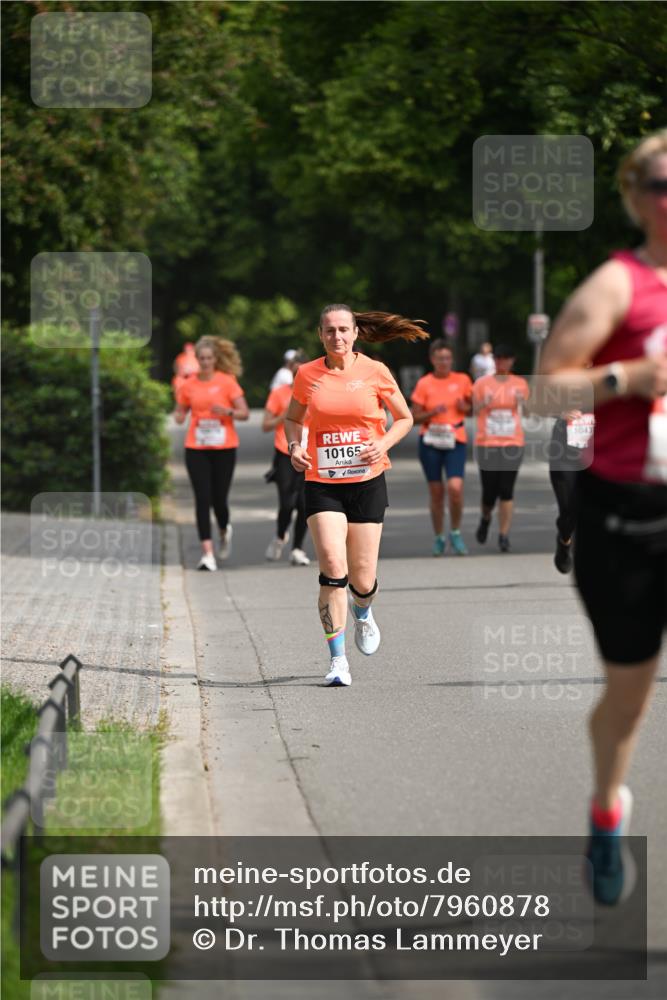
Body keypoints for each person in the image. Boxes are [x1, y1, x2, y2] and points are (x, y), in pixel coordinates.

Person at [538, 130, 667, 905]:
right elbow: (544, 389)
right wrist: (624, 377)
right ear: (634, 198)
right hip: (629, 517)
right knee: (629, 698)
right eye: (659, 186)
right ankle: (606, 808)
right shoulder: (617, 286)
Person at [284, 305, 426, 686]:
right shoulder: (307, 374)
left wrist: (383, 443)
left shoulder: (375, 371)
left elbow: (405, 418)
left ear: (356, 333)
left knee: (362, 580)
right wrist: (295, 447)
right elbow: (292, 419)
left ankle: (363, 612)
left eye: (344, 330)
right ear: (320, 335)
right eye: (330, 331)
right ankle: (338, 661)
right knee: (333, 568)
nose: (338, 337)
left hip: (367, 482)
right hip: (322, 482)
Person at [174, 337, 249, 570]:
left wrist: (227, 411)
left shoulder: (227, 382)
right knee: (202, 499)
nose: (205, 362)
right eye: (202, 358)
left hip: (224, 448)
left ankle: (224, 529)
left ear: (215, 359)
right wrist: (179, 415)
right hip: (196, 448)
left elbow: (244, 412)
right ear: (196, 360)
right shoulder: (188, 385)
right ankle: (207, 553)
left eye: (209, 358)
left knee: (219, 500)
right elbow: (180, 413)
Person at [411, 339, 473, 555]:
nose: (444, 362)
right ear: (432, 360)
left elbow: (473, 408)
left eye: (447, 358)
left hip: (455, 440)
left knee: (455, 488)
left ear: (452, 359)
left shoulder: (463, 380)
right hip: (430, 441)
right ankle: (439, 536)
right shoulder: (424, 383)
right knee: (436, 492)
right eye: (439, 359)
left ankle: (455, 532)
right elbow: (414, 417)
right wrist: (432, 412)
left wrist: (465, 407)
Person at [472, 344, 529, 552]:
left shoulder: (520, 383)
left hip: (513, 443)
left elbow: (528, 412)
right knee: (489, 492)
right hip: (487, 443)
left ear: (512, 361)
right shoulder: (482, 383)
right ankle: (486, 517)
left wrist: (523, 403)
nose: (501, 362)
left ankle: (504, 535)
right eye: (497, 358)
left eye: (505, 358)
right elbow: (473, 410)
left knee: (506, 490)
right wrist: (484, 403)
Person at [262, 351, 310, 566]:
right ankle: (281, 535)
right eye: (294, 371)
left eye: (302, 371)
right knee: (287, 503)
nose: (298, 375)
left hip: (310, 454)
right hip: (285, 453)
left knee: (305, 504)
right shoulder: (279, 394)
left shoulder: (317, 393)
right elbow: (265, 425)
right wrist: (284, 417)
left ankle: (297, 549)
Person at [548, 409, 595, 573]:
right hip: (564, 456)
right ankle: (564, 541)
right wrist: (561, 412)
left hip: (597, 456)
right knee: (568, 510)